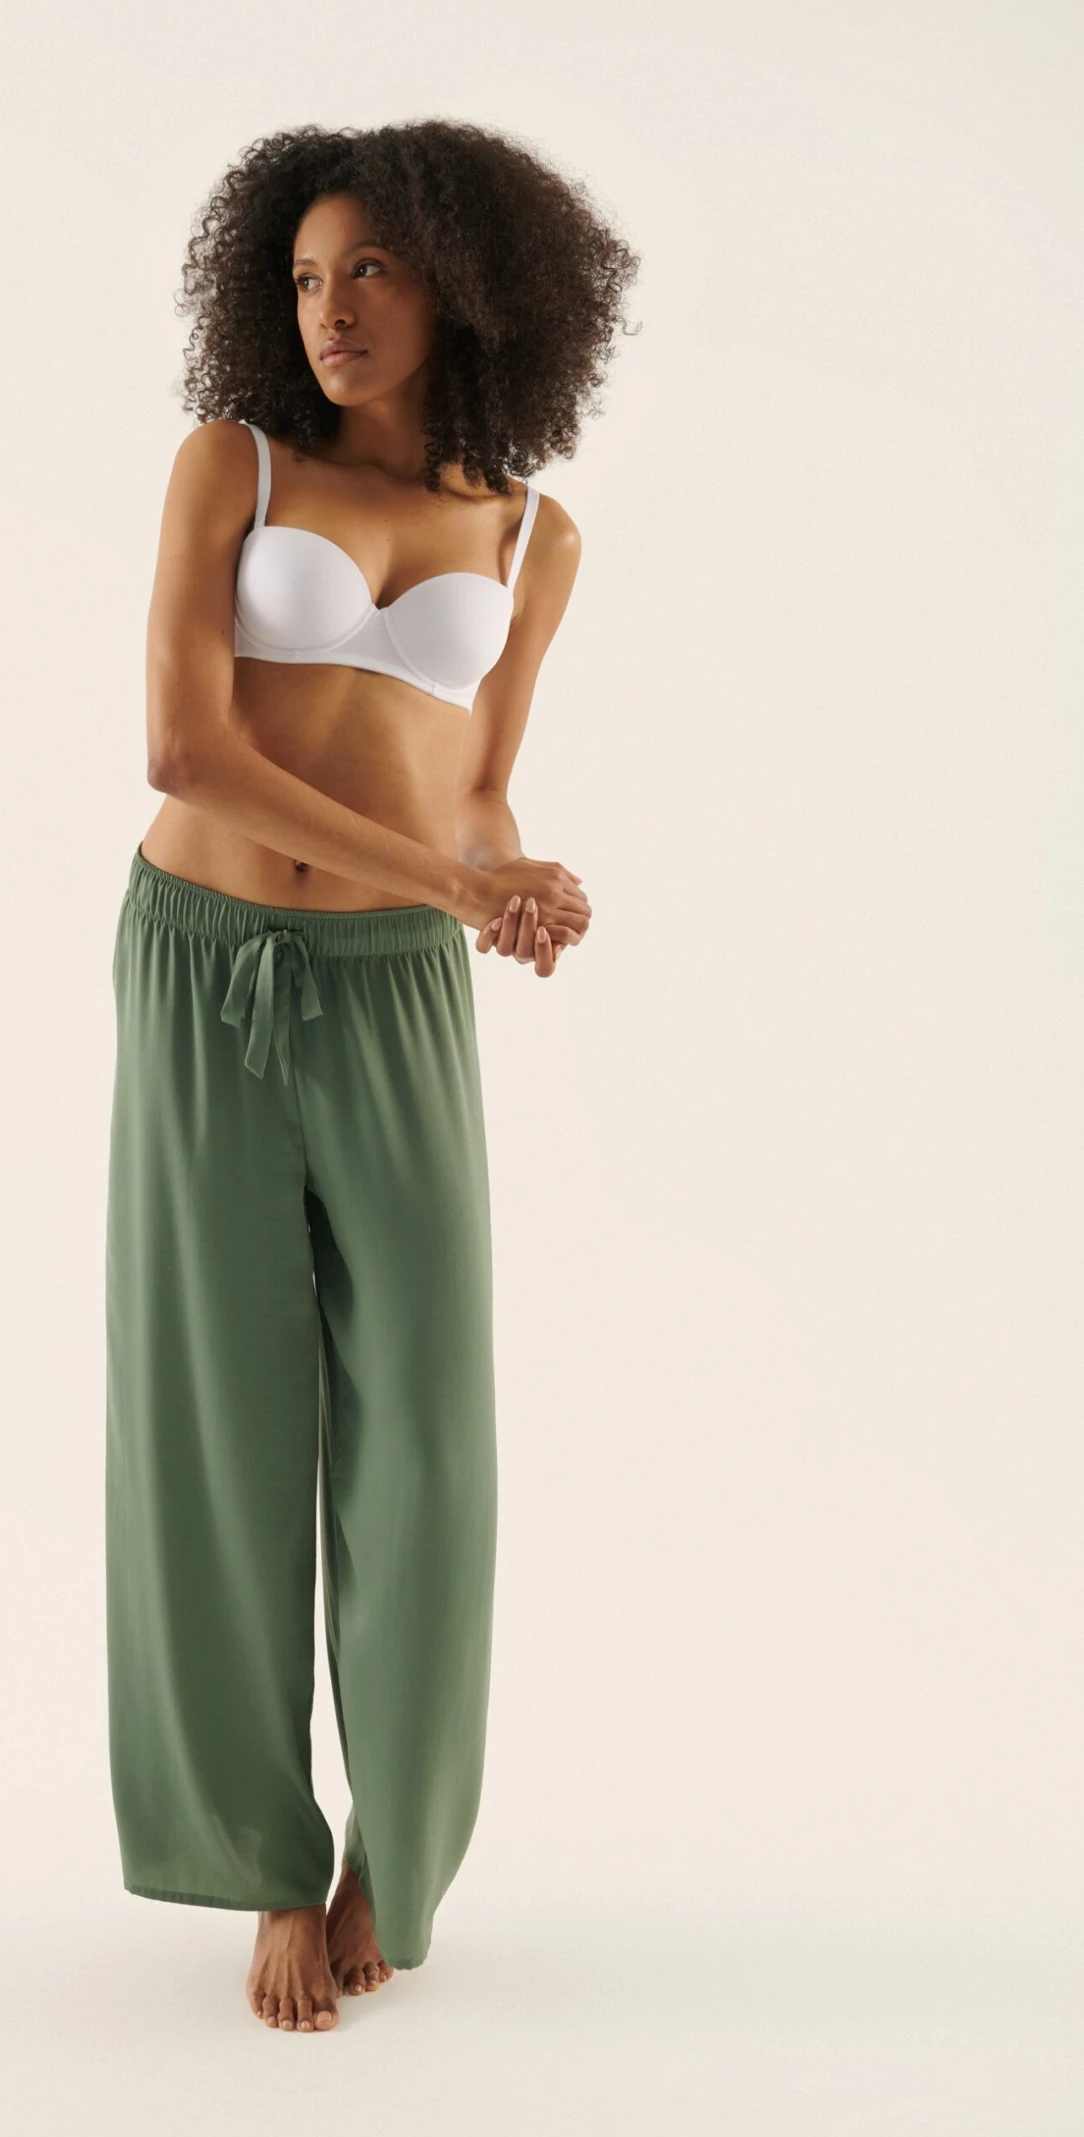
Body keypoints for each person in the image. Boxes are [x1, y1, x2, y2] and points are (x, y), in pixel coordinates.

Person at [105, 119, 639, 2034]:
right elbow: (186, 747)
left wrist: (510, 877)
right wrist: (452, 876)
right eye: (308, 276)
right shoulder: (233, 464)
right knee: (219, 1415)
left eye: (373, 273)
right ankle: (260, 1851)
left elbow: (472, 779)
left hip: (402, 990)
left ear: (469, 286)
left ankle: (386, 1855)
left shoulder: (533, 532)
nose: (330, 309)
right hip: (206, 961)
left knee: (427, 1426)